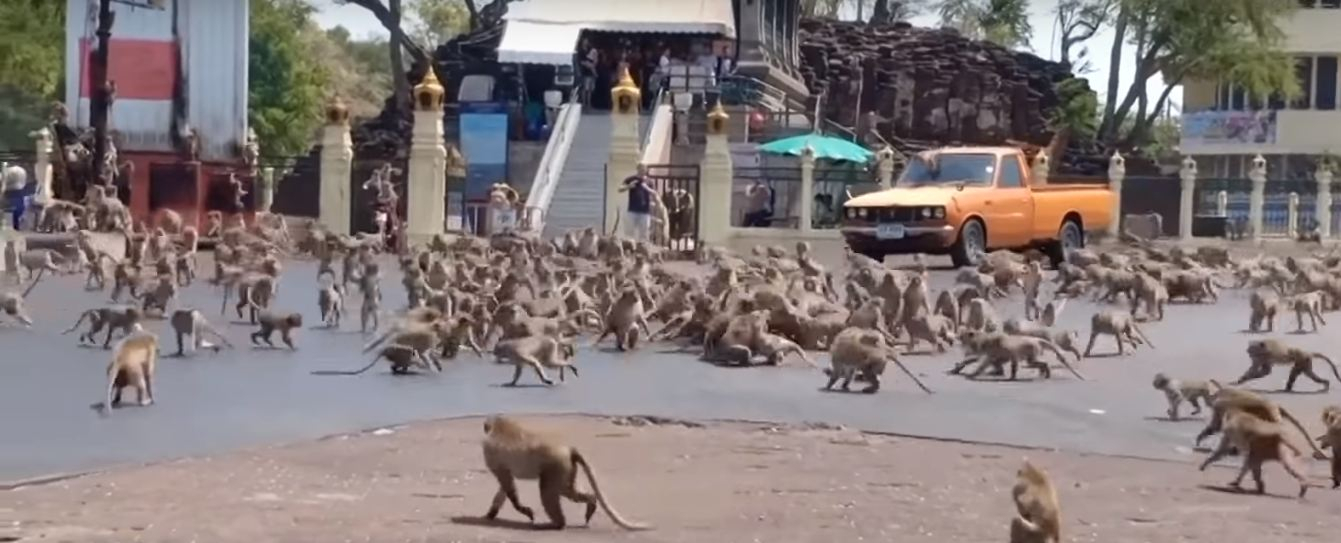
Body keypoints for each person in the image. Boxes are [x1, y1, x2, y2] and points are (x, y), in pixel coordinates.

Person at [619, 165, 657, 241]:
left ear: (646, 170)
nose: (642, 171)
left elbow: (655, 194)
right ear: (637, 169)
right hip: (632, 211)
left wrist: (647, 188)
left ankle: (642, 250)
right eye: (641, 169)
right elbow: (620, 189)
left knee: (644, 234)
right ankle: (629, 250)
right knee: (629, 234)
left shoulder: (649, 181)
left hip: (645, 212)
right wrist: (629, 186)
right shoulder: (631, 179)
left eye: (644, 169)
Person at [2, 164, 28, 230]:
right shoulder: (20, 173)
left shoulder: (7, 173)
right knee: (16, 213)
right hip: (17, 194)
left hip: (9, 194)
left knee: (9, 214)